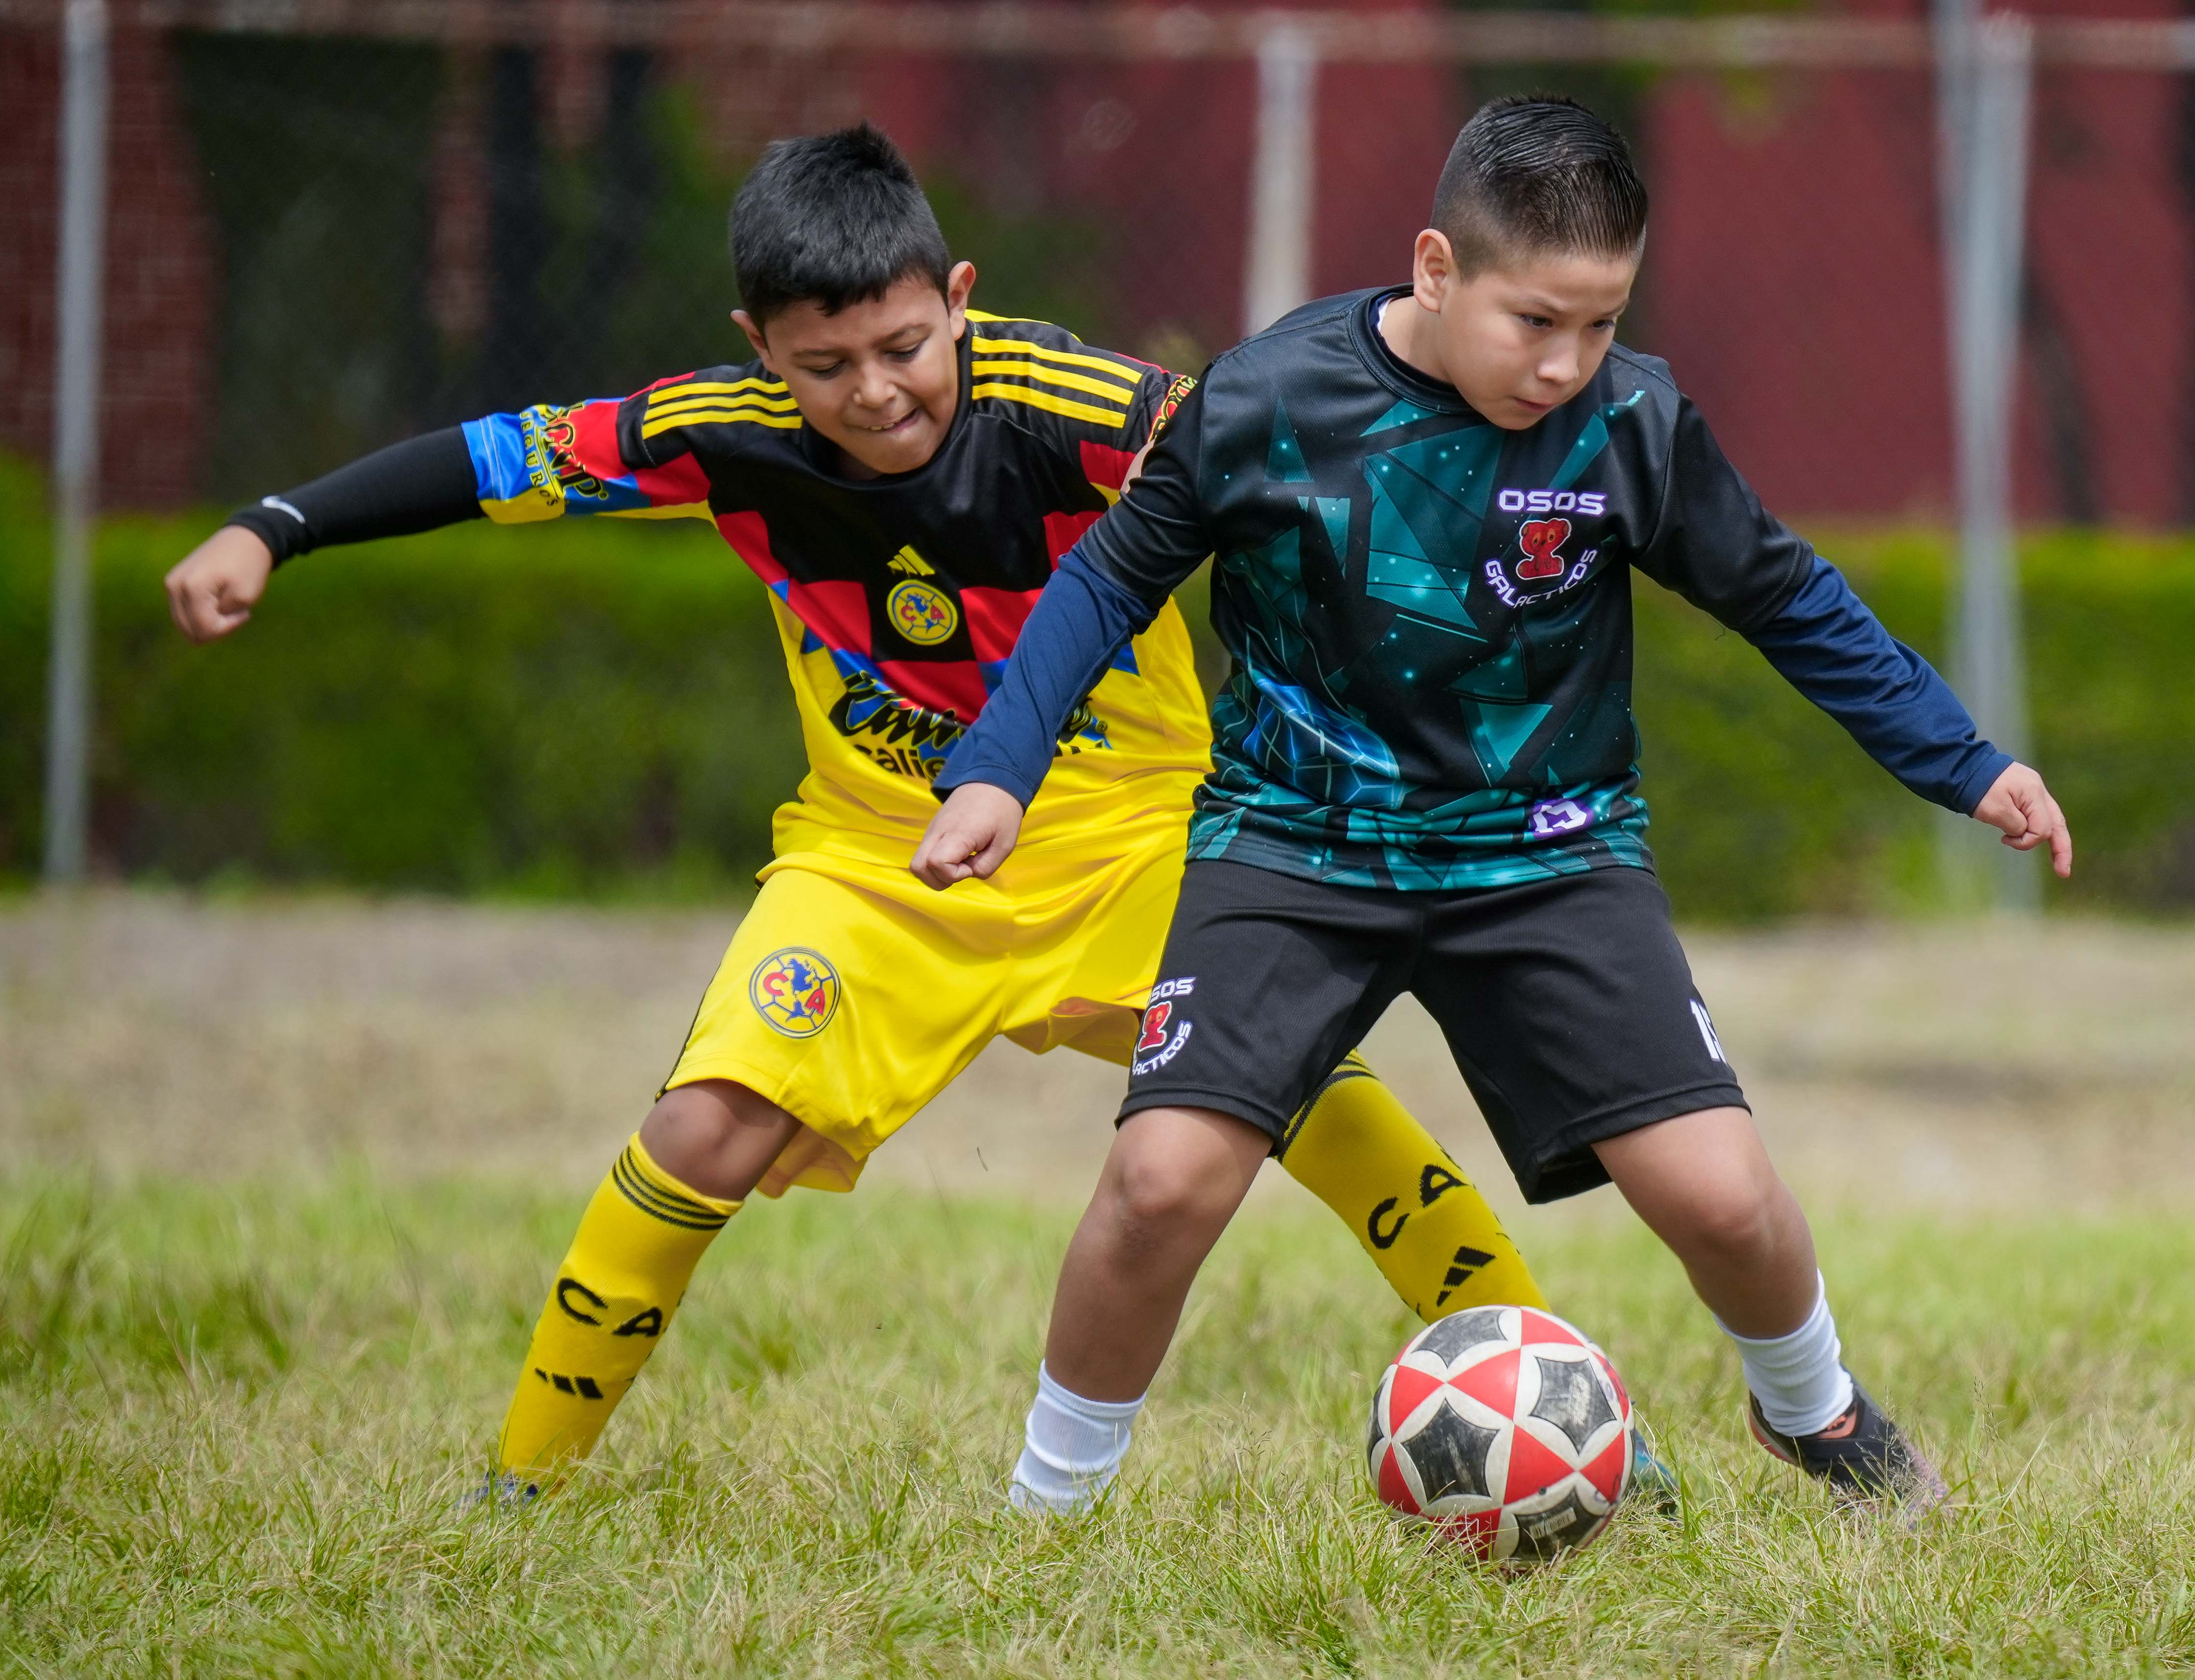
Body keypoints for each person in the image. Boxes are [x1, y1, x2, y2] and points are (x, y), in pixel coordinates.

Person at [162, 124, 1618, 1508]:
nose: (872, 392)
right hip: (880, 866)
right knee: (700, 1133)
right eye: (824, 365)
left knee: (1306, 1102)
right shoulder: (720, 436)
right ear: (758, 350)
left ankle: (1561, 1410)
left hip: (1140, 844)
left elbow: (1305, 471)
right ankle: (518, 1485)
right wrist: (274, 526)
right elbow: (490, 463)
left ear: (958, 300)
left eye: (904, 348)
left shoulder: (1085, 407)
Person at [916, 95, 2075, 1522]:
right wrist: (996, 767)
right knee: (1160, 1183)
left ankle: (1816, 1415)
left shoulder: (1635, 425)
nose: (1568, 362)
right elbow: (1104, 579)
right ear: (1436, 267)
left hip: (1549, 853)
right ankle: (1048, 1505)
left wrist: (1961, 759)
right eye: (1538, 320)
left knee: (1723, 1199)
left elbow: (1783, 596)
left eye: (1601, 324)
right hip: (1293, 843)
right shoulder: (1268, 401)